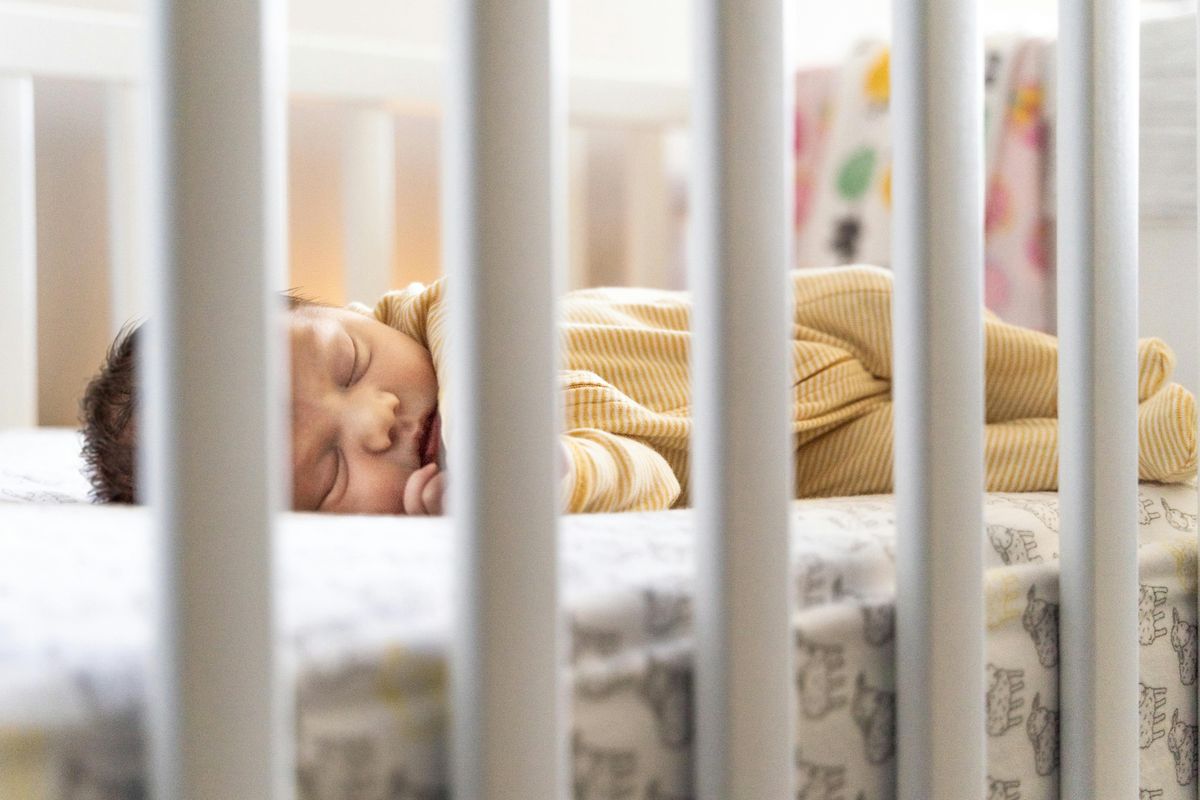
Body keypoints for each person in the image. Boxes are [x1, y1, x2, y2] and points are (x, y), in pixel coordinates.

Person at [80, 265, 1197, 515]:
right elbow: (646, 476)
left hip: (809, 326)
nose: (377, 418)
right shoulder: (457, 490)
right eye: (329, 471)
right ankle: (1165, 431)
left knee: (977, 348)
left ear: (357, 313)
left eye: (350, 365)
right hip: (804, 455)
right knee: (1005, 454)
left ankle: (1131, 372)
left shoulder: (445, 314)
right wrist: (537, 473)